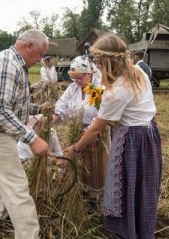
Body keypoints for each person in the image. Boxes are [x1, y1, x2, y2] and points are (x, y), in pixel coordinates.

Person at [64, 34, 162, 239]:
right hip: (149, 134)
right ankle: (141, 229)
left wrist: (74, 149)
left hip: (131, 139)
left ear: (108, 61)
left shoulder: (117, 91)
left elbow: (96, 128)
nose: (97, 67)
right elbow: (103, 95)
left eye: (98, 62)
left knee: (126, 186)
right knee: (142, 186)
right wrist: (89, 89)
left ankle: (127, 232)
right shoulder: (137, 72)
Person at [0, 29, 51, 239]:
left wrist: (37, 109)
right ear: (29, 46)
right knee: (17, 188)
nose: (41, 60)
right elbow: (1, 110)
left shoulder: (14, 63)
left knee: (4, 176)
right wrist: (32, 139)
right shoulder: (8, 64)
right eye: (40, 54)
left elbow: (13, 104)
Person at [53, 55, 108, 211]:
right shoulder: (73, 88)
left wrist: (88, 130)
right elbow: (61, 107)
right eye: (74, 78)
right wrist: (52, 118)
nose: (76, 81)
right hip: (77, 130)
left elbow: (99, 114)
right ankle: (80, 189)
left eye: (79, 78)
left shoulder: (97, 89)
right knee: (77, 161)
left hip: (96, 132)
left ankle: (94, 198)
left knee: (94, 164)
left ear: (89, 75)